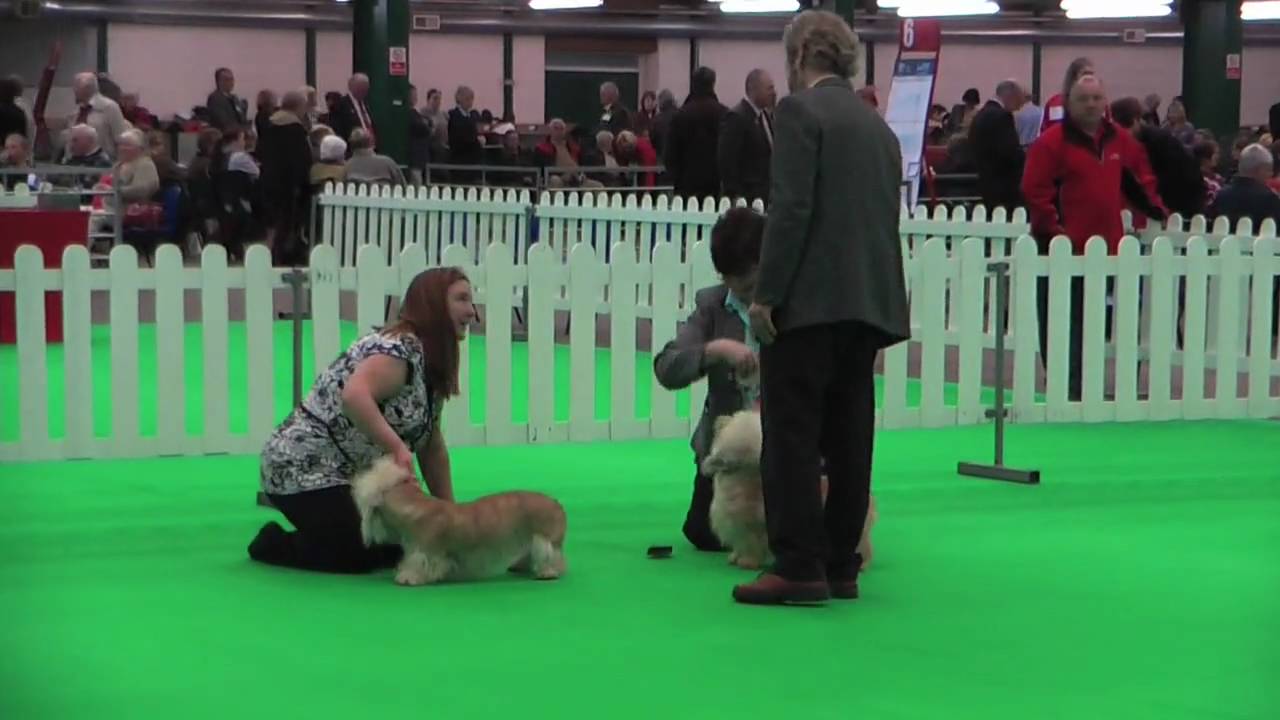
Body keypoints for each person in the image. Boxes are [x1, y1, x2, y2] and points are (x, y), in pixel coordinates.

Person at [737, 10, 909, 606]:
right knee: (851, 436)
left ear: (800, 53)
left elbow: (790, 212)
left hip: (808, 306)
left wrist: (767, 296)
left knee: (790, 437)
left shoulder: (798, 112)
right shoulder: (878, 127)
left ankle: (799, 565)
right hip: (866, 306)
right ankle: (842, 564)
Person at [248, 268, 477, 573]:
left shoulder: (428, 360)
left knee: (401, 543)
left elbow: (431, 445)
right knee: (357, 554)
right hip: (300, 469)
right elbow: (355, 396)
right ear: (433, 303)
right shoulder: (397, 351)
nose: (472, 312)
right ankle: (272, 543)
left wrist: (453, 520)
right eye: (461, 299)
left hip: (351, 478)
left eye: (471, 301)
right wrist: (396, 448)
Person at [1021, 75, 1165, 402]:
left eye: (1096, 98)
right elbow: (1036, 191)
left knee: (1093, 321)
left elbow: (1138, 178)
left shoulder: (1120, 142)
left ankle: (1085, 385)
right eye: (1083, 99)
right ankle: (1064, 387)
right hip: (1060, 249)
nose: (1091, 104)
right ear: (1070, 103)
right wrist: (1055, 231)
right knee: (1059, 322)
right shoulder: (1050, 143)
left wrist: (1156, 209)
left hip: (1105, 249)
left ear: (1105, 102)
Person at [654, 207, 765, 552]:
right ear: (722, 275)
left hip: (786, 448)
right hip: (729, 457)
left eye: (754, 280)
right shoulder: (711, 307)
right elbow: (666, 367)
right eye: (739, 284)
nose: (748, 292)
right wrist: (714, 350)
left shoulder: (797, 300)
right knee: (704, 534)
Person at [969, 79, 1026, 211]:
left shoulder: (981, 115)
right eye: (1019, 101)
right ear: (1010, 96)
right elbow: (1009, 152)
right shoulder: (1002, 117)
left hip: (985, 181)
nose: (1019, 107)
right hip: (1003, 185)